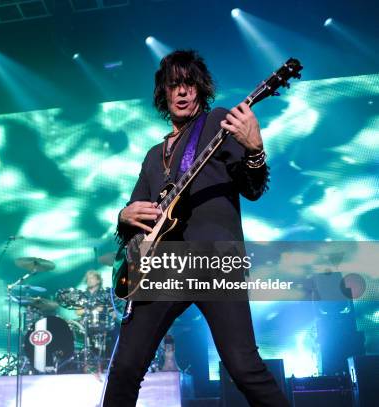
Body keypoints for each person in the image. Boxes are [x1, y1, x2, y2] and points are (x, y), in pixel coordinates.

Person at [103, 50, 289, 406]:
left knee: (243, 366)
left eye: (189, 84)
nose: (183, 92)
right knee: (125, 368)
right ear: (164, 94)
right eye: (175, 85)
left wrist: (255, 150)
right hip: (162, 267)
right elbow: (137, 222)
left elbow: (252, 188)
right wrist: (123, 217)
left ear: (200, 89)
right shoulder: (153, 155)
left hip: (214, 260)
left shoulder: (218, 123)